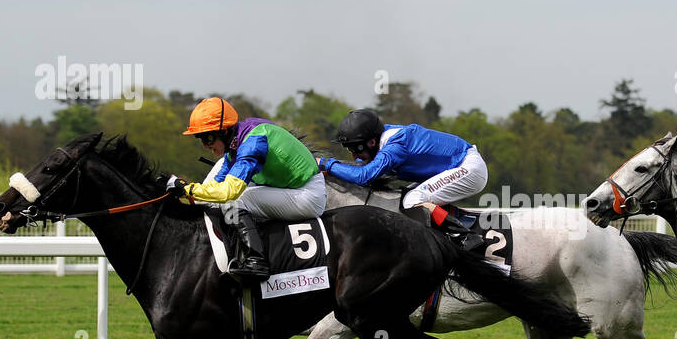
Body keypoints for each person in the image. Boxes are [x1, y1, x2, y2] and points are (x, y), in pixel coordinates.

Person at [167, 97, 326, 280]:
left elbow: (228, 192)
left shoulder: (252, 143)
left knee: (234, 200)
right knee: (222, 197)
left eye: (208, 137)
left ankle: (256, 261)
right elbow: (215, 186)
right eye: (200, 138)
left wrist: (188, 188)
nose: (205, 145)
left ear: (224, 131)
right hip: (291, 189)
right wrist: (183, 193)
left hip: (307, 195)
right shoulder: (237, 141)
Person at [317, 109, 488, 241]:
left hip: (469, 168)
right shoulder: (383, 141)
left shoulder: (396, 145)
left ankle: (464, 237)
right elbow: (361, 171)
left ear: (372, 142)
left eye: (356, 148)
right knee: (406, 197)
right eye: (349, 149)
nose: (354, 156)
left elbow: (364, 176)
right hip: (458, 166)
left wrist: (326, 163)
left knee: (412, 200)